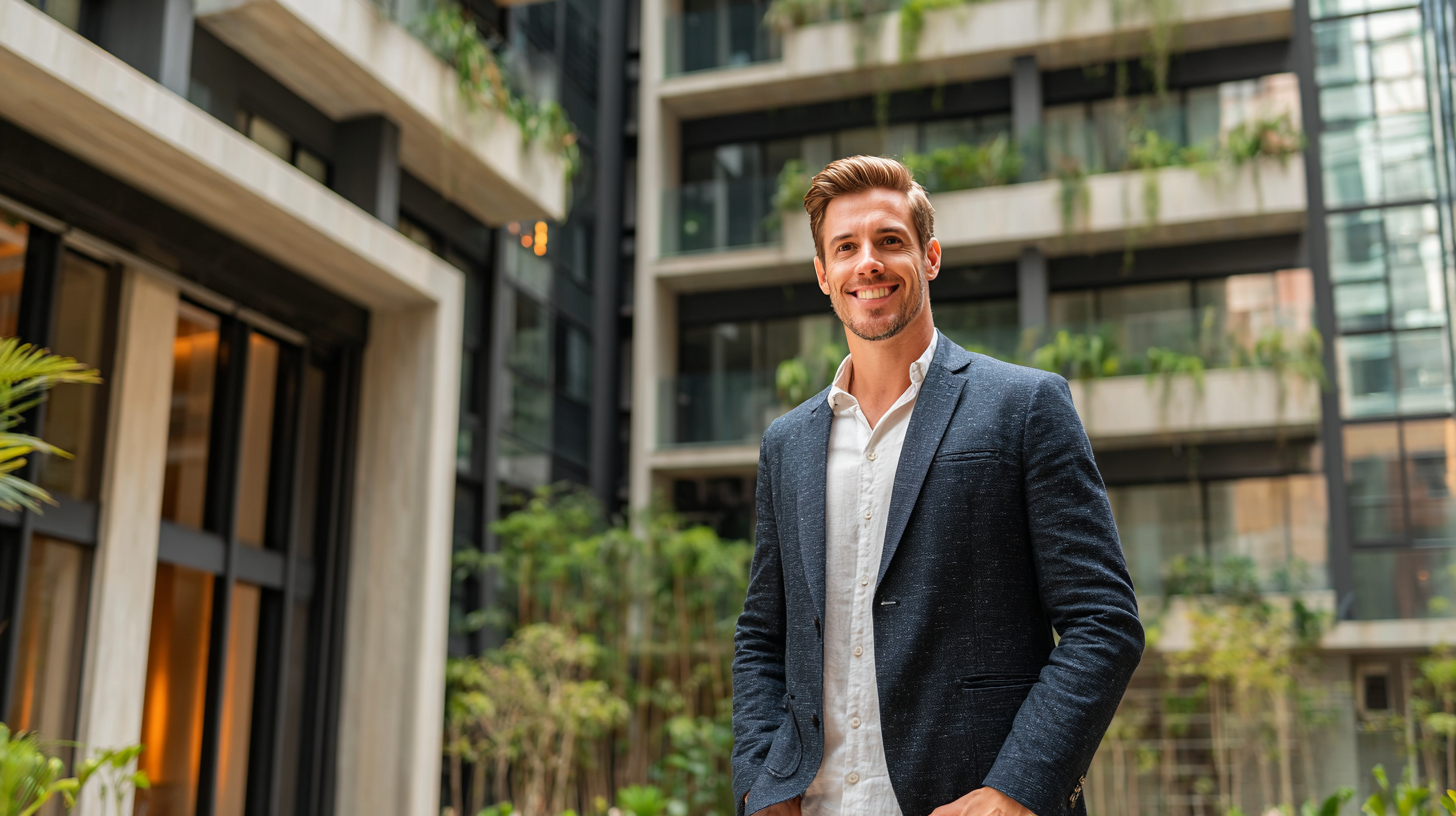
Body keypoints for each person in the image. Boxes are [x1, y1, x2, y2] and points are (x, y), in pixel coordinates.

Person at [730, 155, 1145, 816]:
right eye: (846, 248)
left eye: (890, 241)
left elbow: (1105, 622)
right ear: (823, 274)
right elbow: (761, 636)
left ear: (929, 257)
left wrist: (1017, 791)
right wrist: (760, 784)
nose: (868, 261)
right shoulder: (788, 443)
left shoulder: (1026, 406)